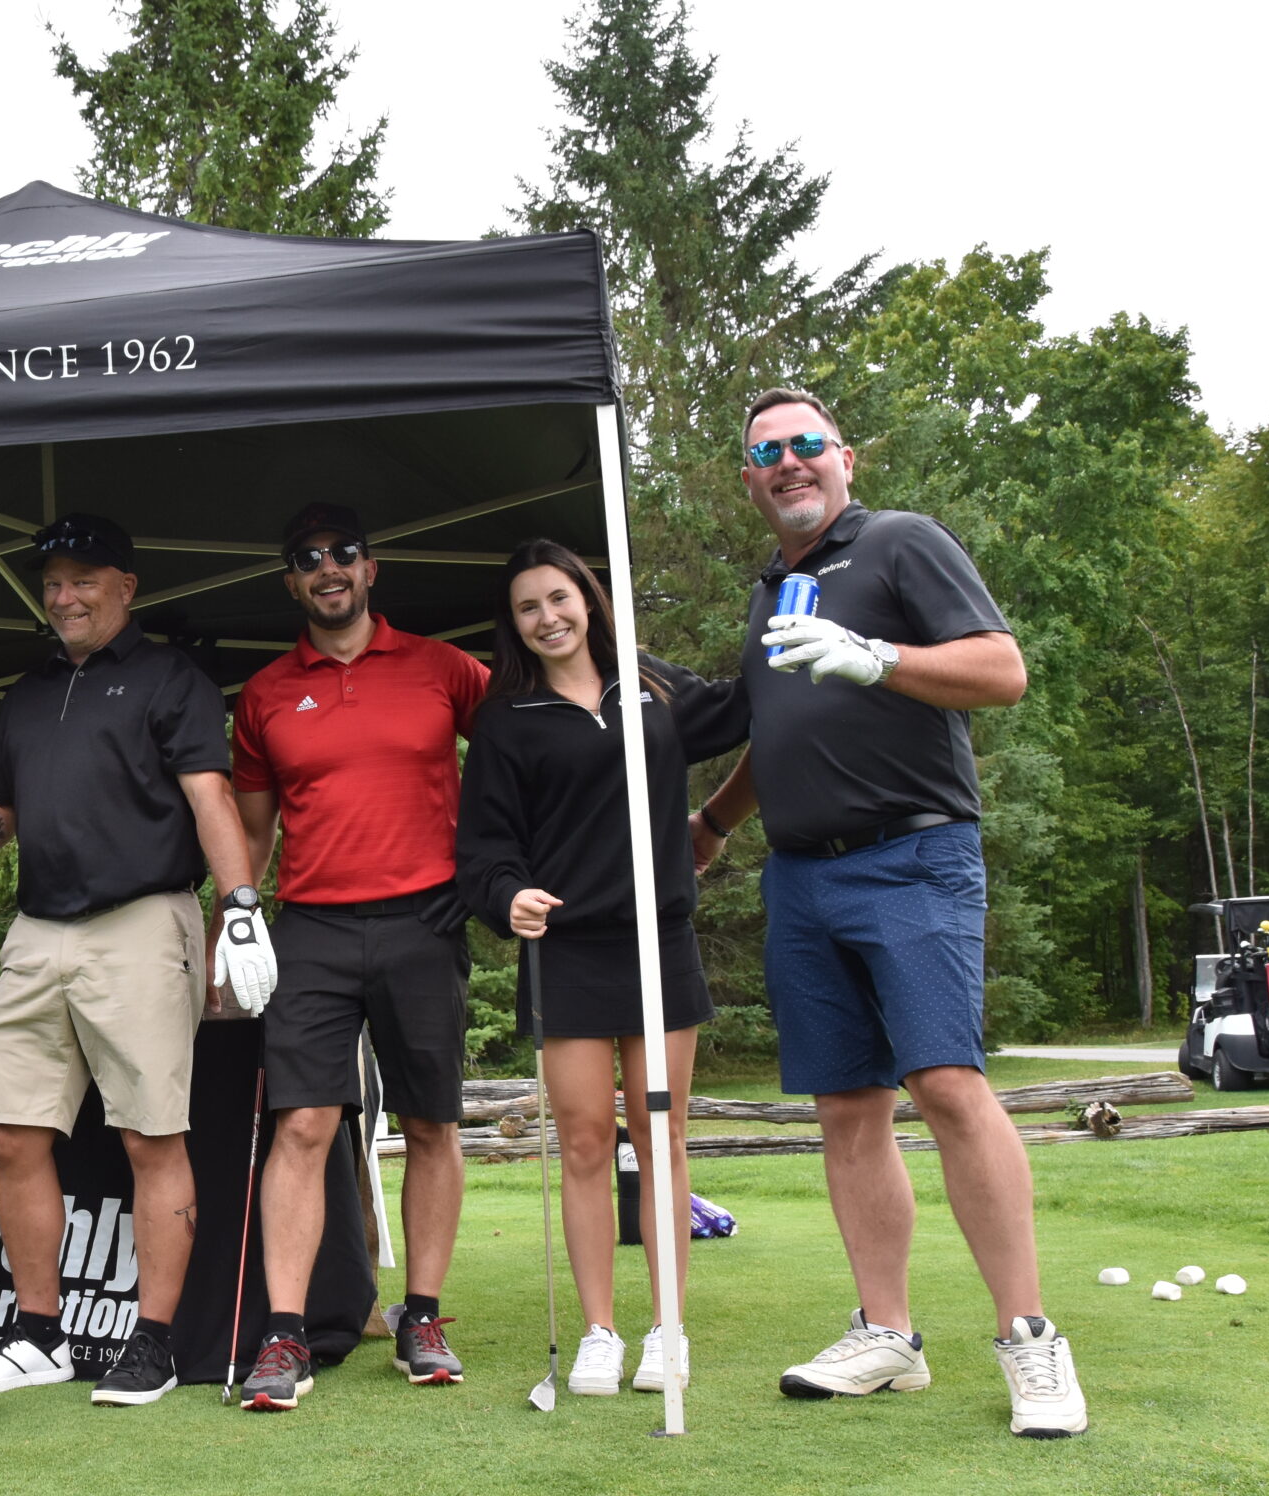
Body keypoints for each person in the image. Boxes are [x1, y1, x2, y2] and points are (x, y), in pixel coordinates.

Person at [693, 386, 1088, 1438]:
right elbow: (780, 727)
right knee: (846, 1107)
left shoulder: (901, 543)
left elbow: (1002, 670)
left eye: (805, 443)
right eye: (766, 452)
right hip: (801, 877)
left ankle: (1029, 1337)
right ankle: (887, 1334)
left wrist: (878, 658)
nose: (788, 462)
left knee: (946, 1084)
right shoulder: (768, 591)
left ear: (844, 457)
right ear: (748, 479)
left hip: (912, 857)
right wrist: (716, 822)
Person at [0, 511, 277, 1408]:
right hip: (38, 930)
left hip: (141, 920)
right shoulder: (26, 695)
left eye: (83, 580)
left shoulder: (171, 678)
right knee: (11, 1132)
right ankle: (41, 1337)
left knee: (150, 1133)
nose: (64, 596)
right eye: (53, 583)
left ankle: (155, 1344)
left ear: (125, 587)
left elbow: (211, 796)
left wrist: (240, 907)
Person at [456, 540, 749, 1399]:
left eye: (559, 597)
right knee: (585, 1140)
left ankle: (668, 1328)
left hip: (661, 942)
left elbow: (749, 706)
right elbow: (484, 849)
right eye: (528, 607)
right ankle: (599, 1331)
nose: (548, 617)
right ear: (513, 624)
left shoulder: (651, 685)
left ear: (587, 599)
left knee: (661, 1134)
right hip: (568, 951)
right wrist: (507, 896)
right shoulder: (506, 719)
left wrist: (792, 629)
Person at [226, 502, 490, 1412]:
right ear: (291, 582)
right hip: (311, 928)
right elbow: (251, 831)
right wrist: (232, 923)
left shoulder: (443, 667)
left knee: (430, 1122)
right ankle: (285, 1333)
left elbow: (516, 762)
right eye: (308, 559)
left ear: (370, 569)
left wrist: (488, 876)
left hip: (426, 918)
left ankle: (423, 1316)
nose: (327, 568)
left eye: (342, 553)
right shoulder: (265, 693)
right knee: (301, 1124)